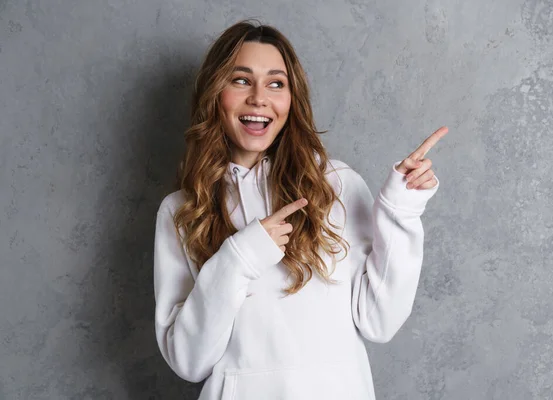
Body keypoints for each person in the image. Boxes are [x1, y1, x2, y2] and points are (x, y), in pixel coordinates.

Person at [153, 20, 447, 400]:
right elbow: (190, 362)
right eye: (241, 80)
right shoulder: (183, 211)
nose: (260, 97)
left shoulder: (336, 185)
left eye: (276, 83)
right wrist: (239, 257)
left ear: (292, 100)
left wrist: (399, 211)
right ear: (215, 93)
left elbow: (379, 322)